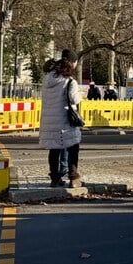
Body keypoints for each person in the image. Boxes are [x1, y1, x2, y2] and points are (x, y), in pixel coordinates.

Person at [39, 49, 83, 188]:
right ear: (73, 63)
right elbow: (74, 99)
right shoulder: (70, 82)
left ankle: (54, 178)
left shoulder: (48, 80)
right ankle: (73, 178)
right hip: (65, 120)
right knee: (73, 148)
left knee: (54, 149)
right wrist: (80, 95)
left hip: (49, 120)